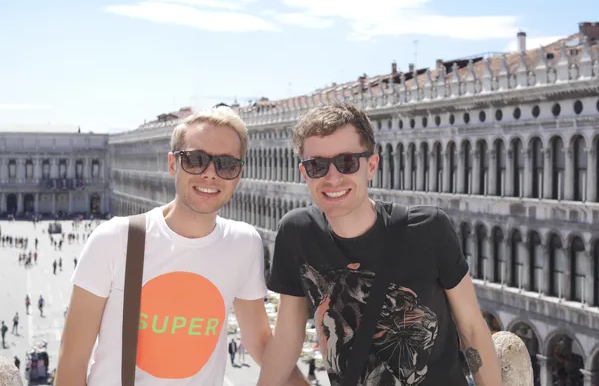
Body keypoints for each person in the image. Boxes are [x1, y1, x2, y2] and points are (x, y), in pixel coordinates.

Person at [55, 107, 307, 385]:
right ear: (173, 164)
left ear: (238, 175)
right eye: (196, 160)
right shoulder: (114, 239)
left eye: (226, 165)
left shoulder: (243, 243)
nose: (210, 174)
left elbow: (261, 343)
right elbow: (72, 361)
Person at [256, 103, 501, 386]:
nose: (332, 178)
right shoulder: (297, 232)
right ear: (304, 173)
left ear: (371, 166)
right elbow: (287, 336)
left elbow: (472, 329)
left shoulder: (428, 229)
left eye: (347, 162)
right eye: (317, 166)